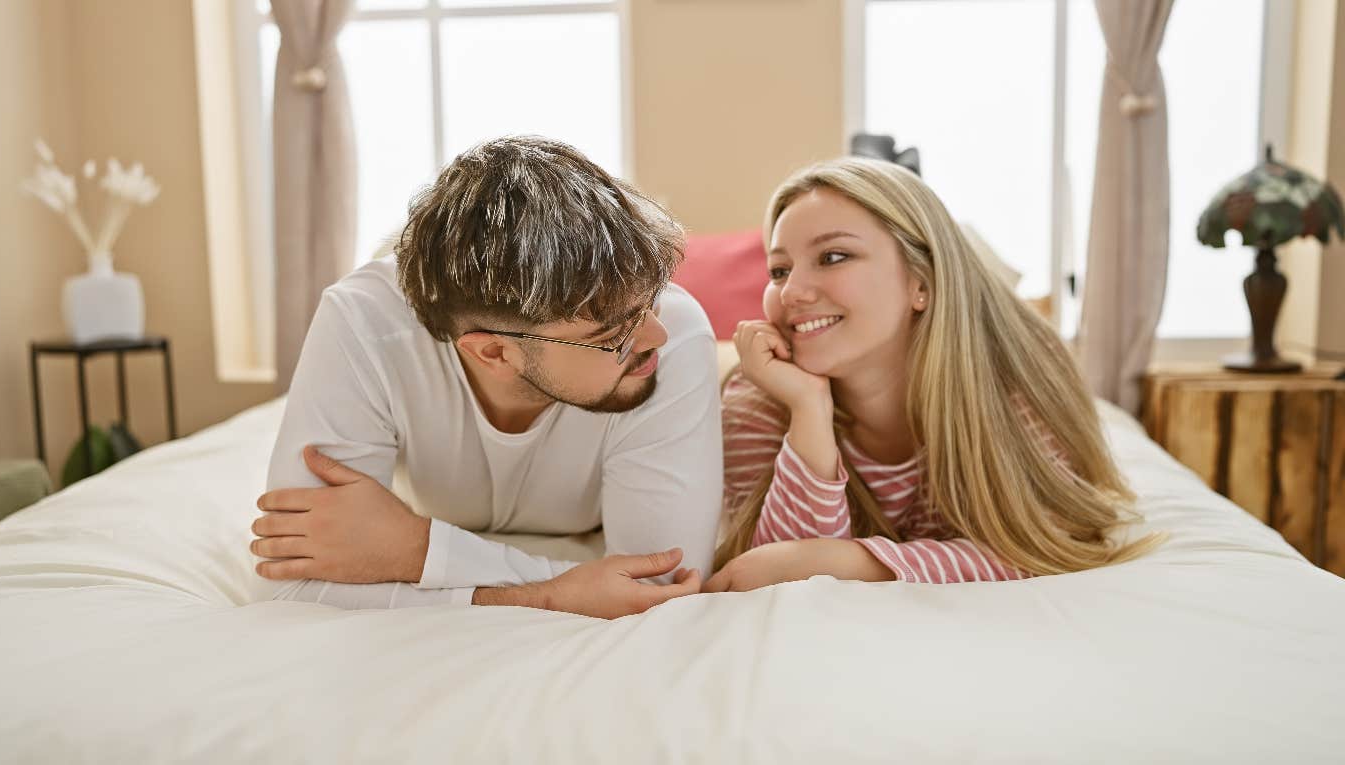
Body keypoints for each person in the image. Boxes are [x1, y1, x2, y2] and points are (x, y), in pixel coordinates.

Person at [250, 136, 722, 618]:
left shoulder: (678, 334)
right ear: (494, 352)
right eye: (613, 336)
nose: (655, 335)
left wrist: (418, 550)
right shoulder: (364, 325)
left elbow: (658, 586)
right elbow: (292, 584)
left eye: (653, 299)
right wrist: (546, 594)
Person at [704, 157, 1161, 593]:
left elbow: (1049, 543)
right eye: (779, 269)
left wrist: (852, 563)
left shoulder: (1017, 377)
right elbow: (768, 577)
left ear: (921, 282)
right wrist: (808, 410)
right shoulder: (759, 397)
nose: (793, 293)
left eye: (833, 256)